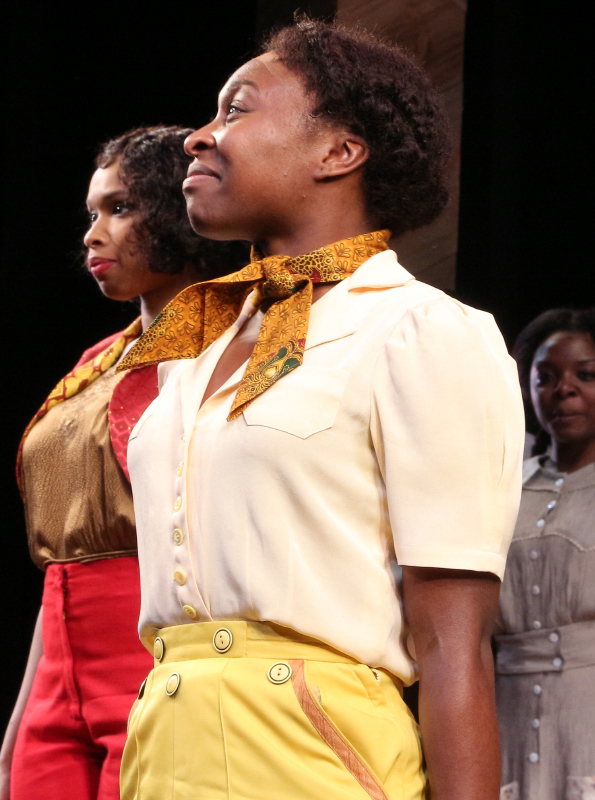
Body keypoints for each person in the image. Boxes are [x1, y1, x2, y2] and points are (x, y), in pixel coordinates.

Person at [118, 21, 524, 800]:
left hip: (317, 753)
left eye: (236, 110)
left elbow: (453, 642)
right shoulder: (194, 349)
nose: (198, 139)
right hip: (164, 741)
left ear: (339, 152)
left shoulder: (420, 332)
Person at [0, 125, 247, 800]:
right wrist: (26, 707)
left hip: (161, 654)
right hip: (59, 665)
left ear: (176, 209)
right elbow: (62, 561)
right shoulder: (93, 364)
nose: (92, 234)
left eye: (119, 208)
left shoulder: (232, 349)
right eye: (91, 214)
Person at [495, 307, 595, 800]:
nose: (563, 389)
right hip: (506, 715)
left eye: (585, 375)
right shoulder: (500, 490)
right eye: (544, 377)